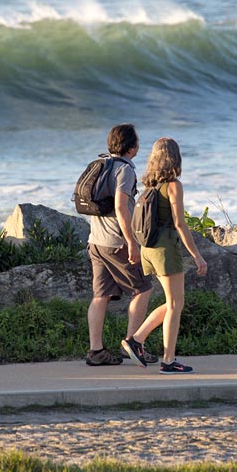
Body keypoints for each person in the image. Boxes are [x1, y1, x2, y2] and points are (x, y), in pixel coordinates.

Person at [121, 137, 208, 374]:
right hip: (164, 250)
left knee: (173, 303)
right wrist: (197, 256)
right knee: (176, 304)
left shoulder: (150, 186)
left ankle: (136, 339)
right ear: (175, 158)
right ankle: (168, 360)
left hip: (148, 249)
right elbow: (180, 224)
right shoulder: (173, 185)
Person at [84, 123, 155, 366]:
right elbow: (121, 208)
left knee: (100, 295)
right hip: (116, 242)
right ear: (132, 147)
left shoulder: (101, 164)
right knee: (143, 289)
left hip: (96, 241)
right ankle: (132, 345)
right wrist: (131, 242)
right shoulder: (124, 170)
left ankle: (96, 351)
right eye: (137, 142)